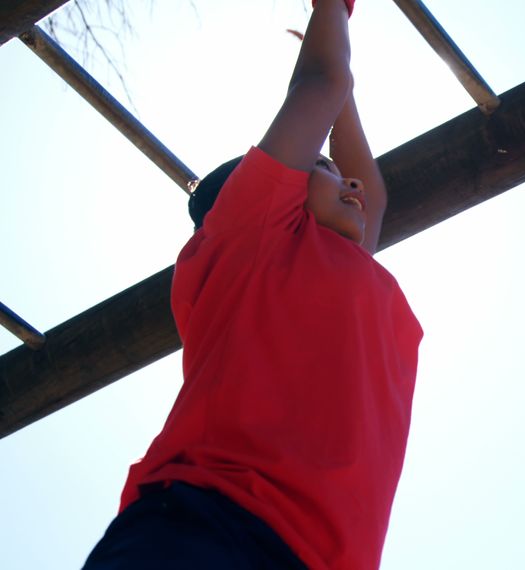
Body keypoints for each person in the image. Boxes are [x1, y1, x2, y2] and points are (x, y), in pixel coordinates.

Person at [84, 0, 423, 568]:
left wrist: (344, 100)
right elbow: (321, 81)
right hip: (204, 526)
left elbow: (373, 189)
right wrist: (332, 10)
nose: (351, 180)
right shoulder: (251, 240)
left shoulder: (341, 266)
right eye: (324, 167)